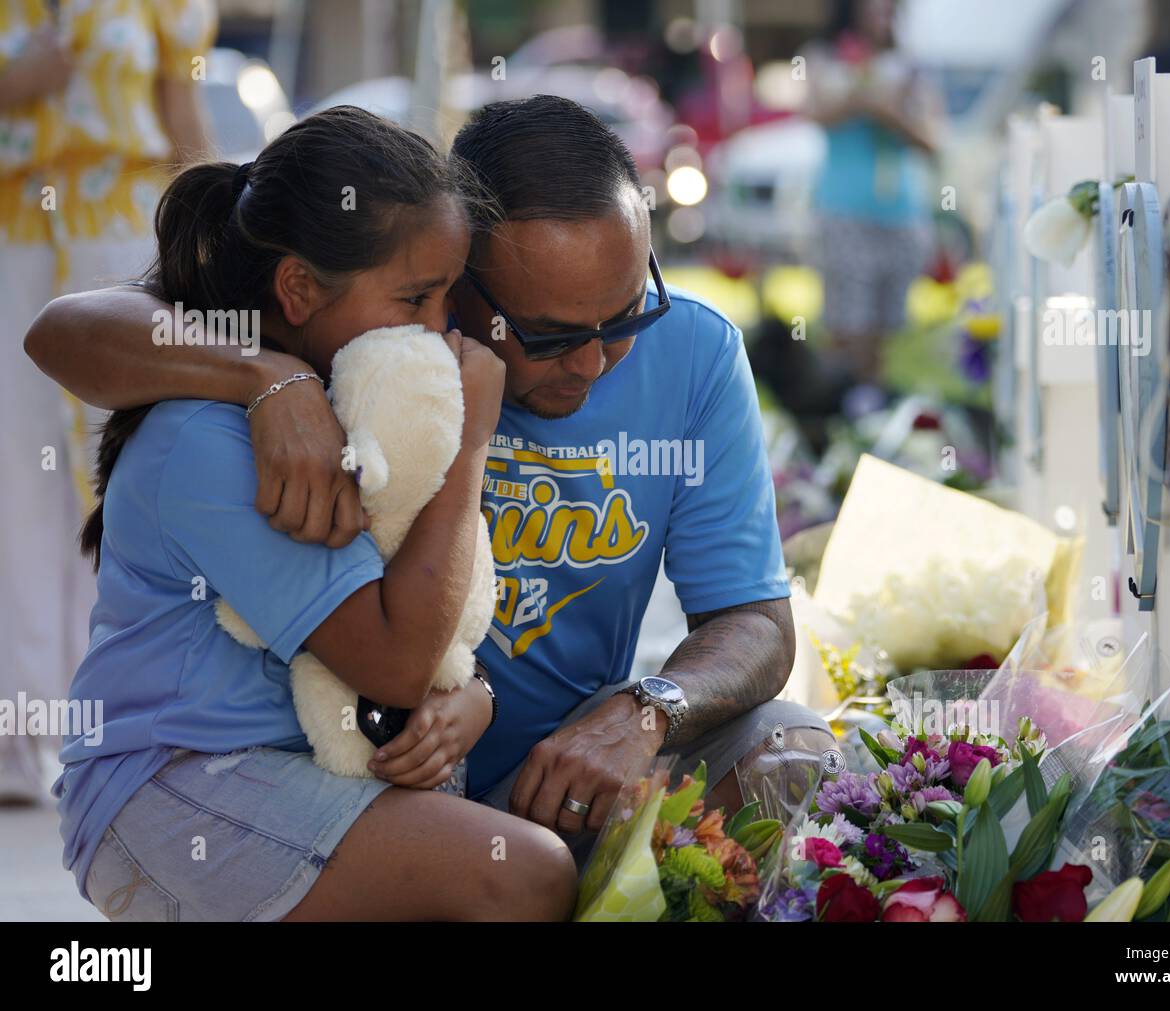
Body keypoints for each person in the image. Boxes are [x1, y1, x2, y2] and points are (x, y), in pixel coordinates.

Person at [28, 95, 835, 873]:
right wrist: (267, 376)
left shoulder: (694, 350)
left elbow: (754, 620)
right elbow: (65, 330)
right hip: (366, 785)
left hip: (569, 780)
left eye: (625, 316)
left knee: (794, 753)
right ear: (456, 276)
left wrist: (648, 709)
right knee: (502, 874)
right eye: (550, 335)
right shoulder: (383, 330)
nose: (594, 362)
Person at [28, 106, 575, 922]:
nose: (438, 333)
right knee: (523, 873)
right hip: (172, 787)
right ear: (296, 288)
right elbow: (391, 661)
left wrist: (476, 699)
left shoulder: (350, 404)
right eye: (416, 298)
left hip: (285, 770)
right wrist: (470, 441)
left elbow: (434, 619)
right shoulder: (219, 438)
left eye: (447, 304)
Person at [0, 0, 215, 805]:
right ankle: (15, 733)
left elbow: (182, 114)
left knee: (131, 475)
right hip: (12, 237)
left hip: (122, 239)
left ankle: (126, 721)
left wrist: (212, 246)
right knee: (14, 475)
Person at [804, 0, 941, 383]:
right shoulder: (823, 57)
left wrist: (892, 113)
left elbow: (934, 141)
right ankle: (843, 407)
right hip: (844, 208)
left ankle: (874, 412)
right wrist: (860, 97)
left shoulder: (911, 67)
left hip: (901, 212)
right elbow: (814, 113)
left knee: (888, 330)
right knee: (848, 325)